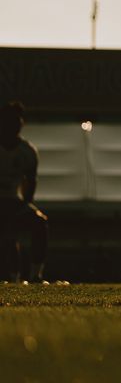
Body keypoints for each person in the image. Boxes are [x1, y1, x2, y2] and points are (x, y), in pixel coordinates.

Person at [0, 101, 48, 283]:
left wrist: (24, 205)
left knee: (40, 223)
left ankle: (36, 275)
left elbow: (31, 181)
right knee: (8, 234)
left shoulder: (27, 151)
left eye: (17, 121)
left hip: (14, 202)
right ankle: (12, 277)